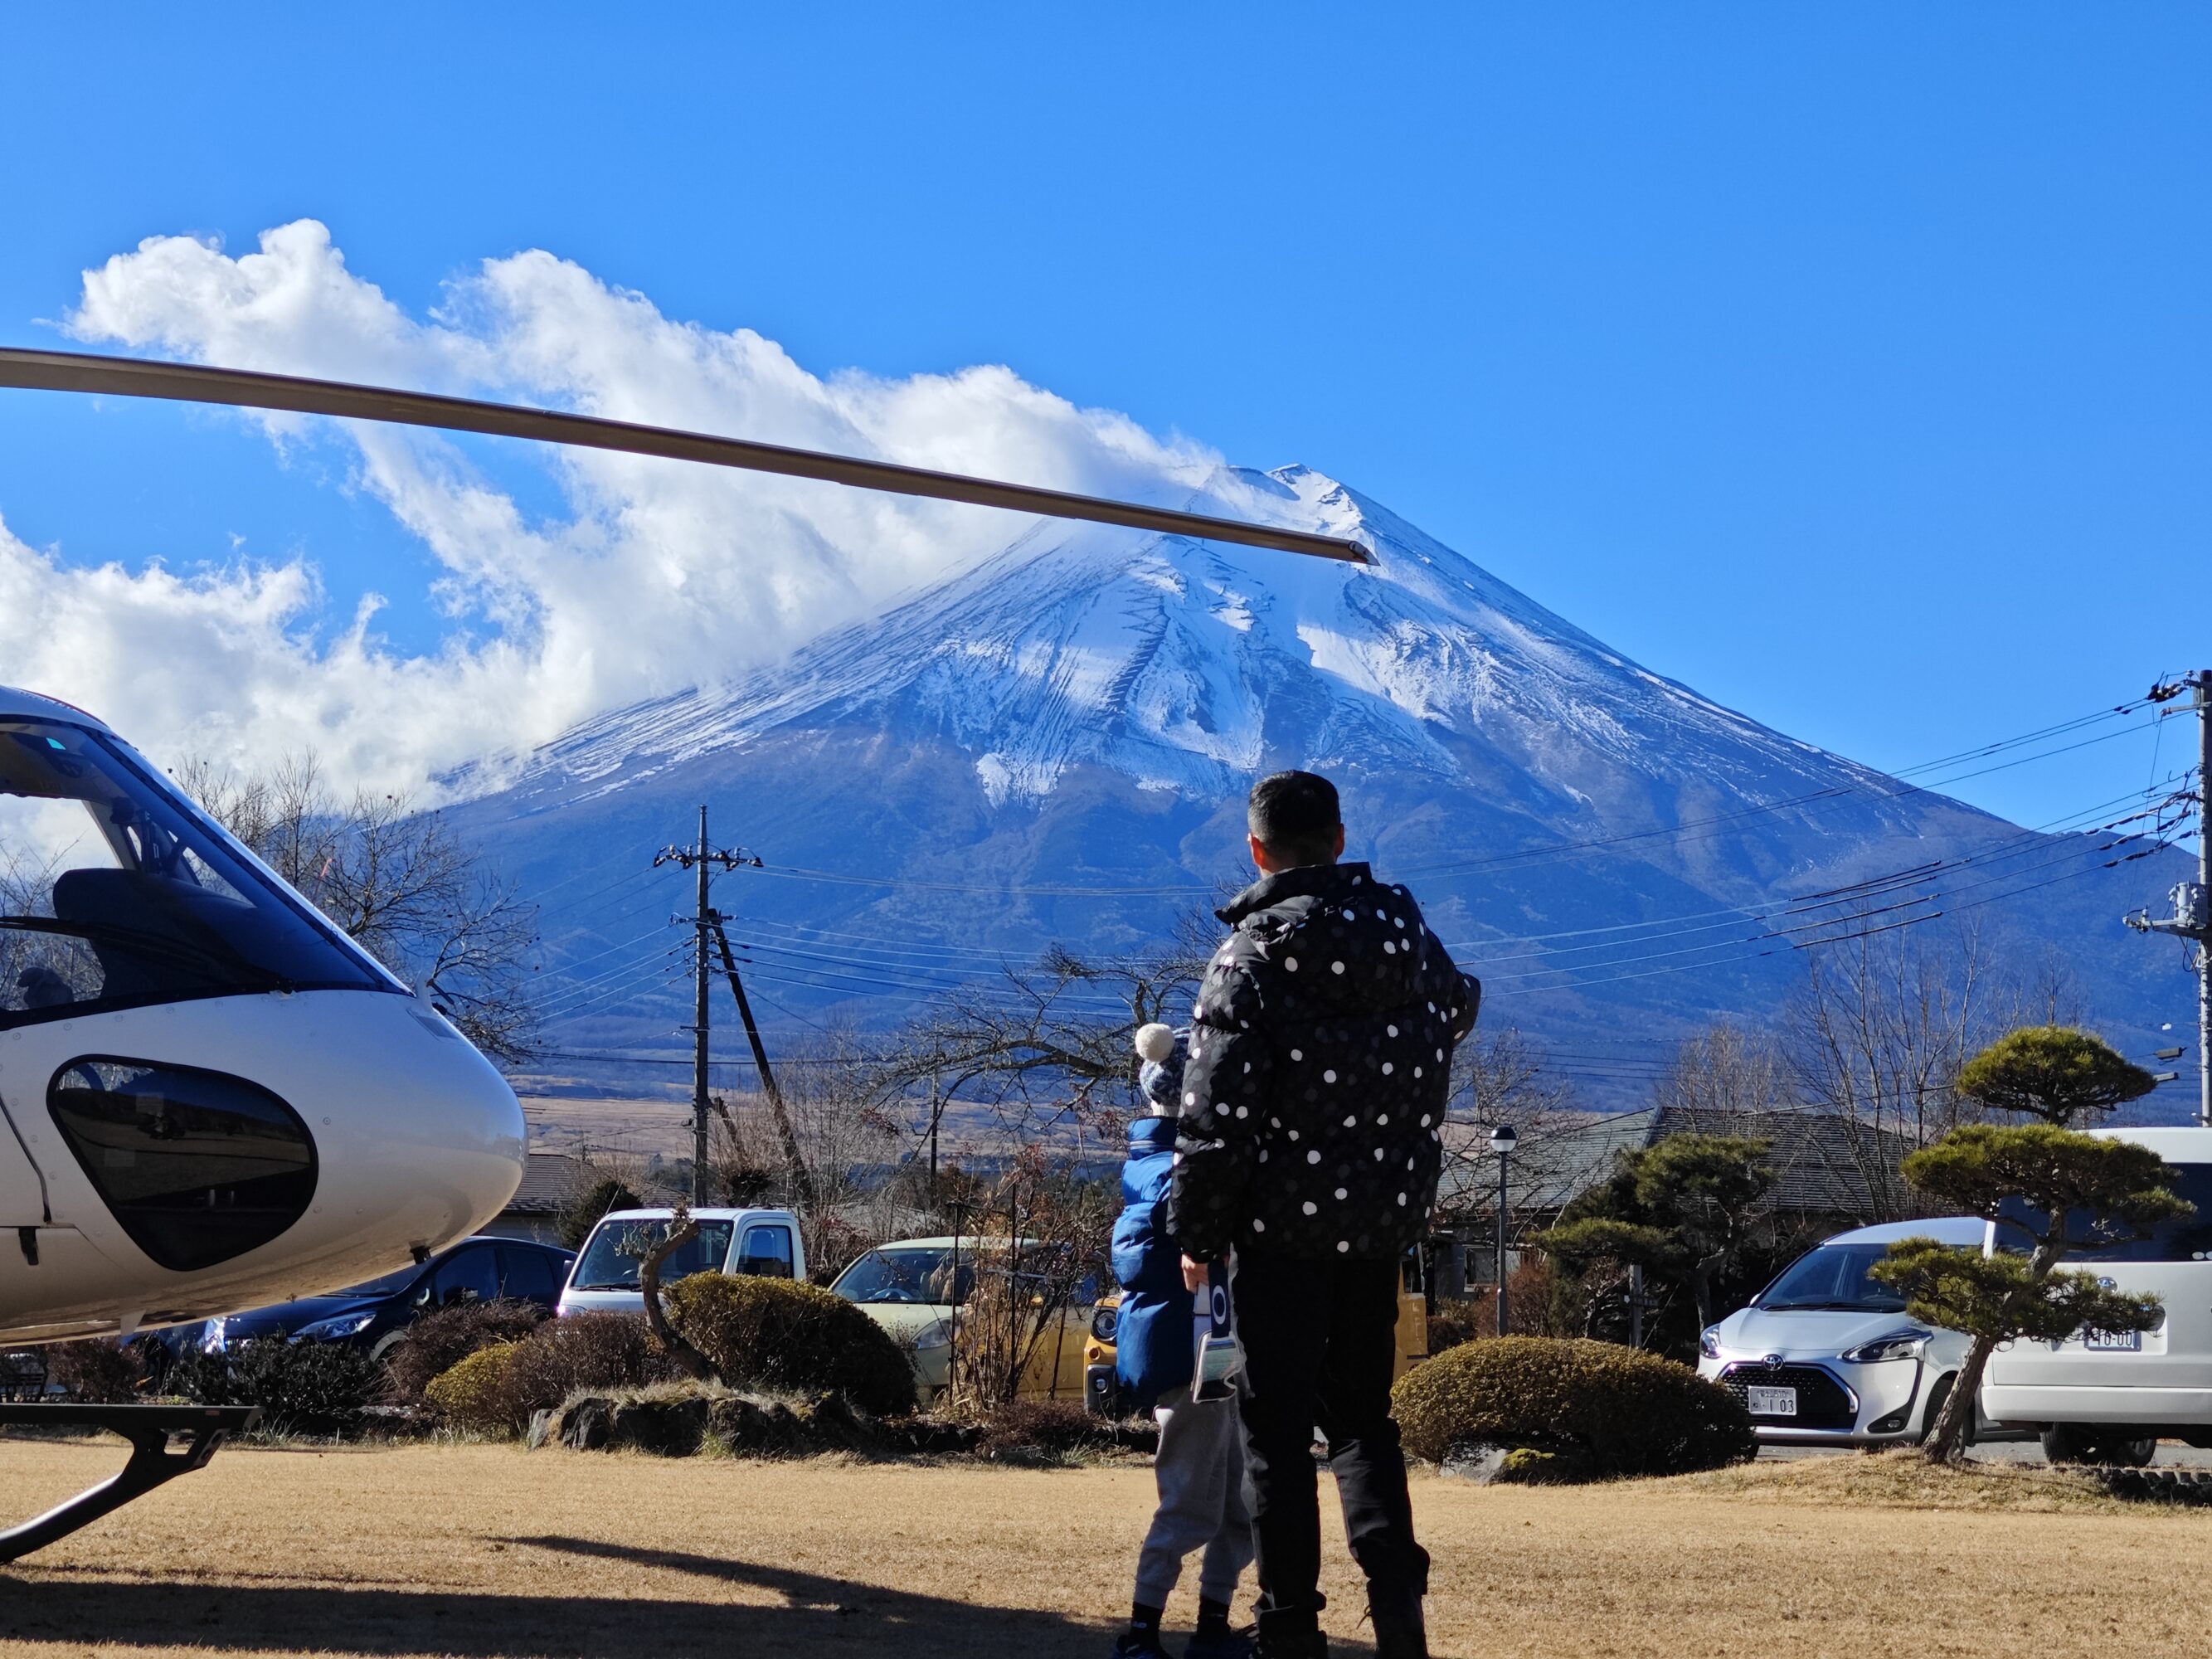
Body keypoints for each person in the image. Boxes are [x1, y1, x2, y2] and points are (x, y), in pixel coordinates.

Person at [1168, 771, 1478, 1659]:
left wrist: (1198, 1232)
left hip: (1279, 1234)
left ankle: (1290, 1628)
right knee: (1363, 1420)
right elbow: (1458, 1005)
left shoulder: (1253, 955)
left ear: (1257, 850)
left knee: (1275, 1433)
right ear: (1340, 840)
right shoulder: (1408, 935)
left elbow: (1216, 1117)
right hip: (1378, 1222)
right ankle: (1398, 1619)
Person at [1108, 1020, 1256, 1659]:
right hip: (1199, 1353)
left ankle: (1206, 1630)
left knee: (1231, 1505)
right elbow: (1209, 1226)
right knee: (1195, 1503)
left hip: (1191, 1351)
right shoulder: (1184, 1173)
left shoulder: (1144, 1167)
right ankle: (1146, 1632)